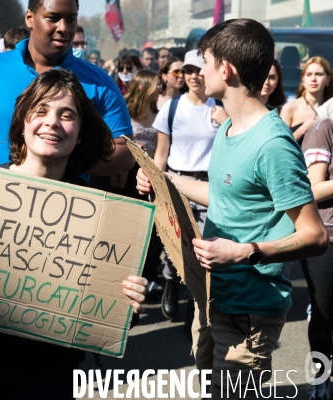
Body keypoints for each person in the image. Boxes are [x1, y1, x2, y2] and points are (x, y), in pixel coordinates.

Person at [137, 19, 328, 396]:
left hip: (250, 310)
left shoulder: (272, 144)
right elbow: (224, 196)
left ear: (226, 70)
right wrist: (167, 182)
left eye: (204, 61)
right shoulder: (227, 128)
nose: (198, 70)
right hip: (212, 297)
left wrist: (247, 251)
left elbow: (315, 235)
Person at [0, 67, 148, 400]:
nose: (52, 121)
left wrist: (126, 305)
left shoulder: (99, 214)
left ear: (80, 133)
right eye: (41, 111)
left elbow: (109, 314)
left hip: (52, 375)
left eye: (66, 115)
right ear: (22, 122)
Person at [0, 0, 135, 185]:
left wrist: (63, 158)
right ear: (30, 18)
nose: (63, 27)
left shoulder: (100, 83)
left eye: (71, 19)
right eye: (53, 18)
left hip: (70, 205)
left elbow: (125, 153)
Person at [153, 50, 226, 325]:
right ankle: (172, 282)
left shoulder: (220, 108)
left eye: (198, 69)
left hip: (209, 186)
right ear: (182, 74)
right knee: (177, 250)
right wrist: (157, 188)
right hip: (176, 183)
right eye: (188, 71)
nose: (194, 76)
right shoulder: (171, 108)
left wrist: (225, 120)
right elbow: (161, 153)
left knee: (205, 250)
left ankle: (196, 312)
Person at [121, 69, 163, 295]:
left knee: (154, 226)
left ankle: (151, 275)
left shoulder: (162, 113)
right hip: (128, 174)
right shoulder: (125, 111)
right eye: (156, 85)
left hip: (153, 173)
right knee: (131, 224)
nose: (160, 90)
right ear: (142, 87)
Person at [301, 118, 333, 400]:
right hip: (328, 239)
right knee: (324, 314)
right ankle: (321, 378)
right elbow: (313, 188)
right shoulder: (325, 128)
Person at [281, 56, 333, 143]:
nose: (313, 79)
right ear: (303, 78)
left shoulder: (330, 107)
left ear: (328, 78)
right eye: (309, 74)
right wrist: (302, 129)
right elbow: (280, 143)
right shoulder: (290, 108)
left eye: (319, 74)